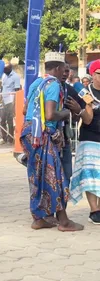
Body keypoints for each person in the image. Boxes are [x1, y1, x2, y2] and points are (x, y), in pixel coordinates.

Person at [21, 52, 83, 231]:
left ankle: (39, 218)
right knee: (55, 175)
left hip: (29, 133)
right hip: (43, 134)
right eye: (64, 68)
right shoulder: (54, 84)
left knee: (37, 176)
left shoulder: (36, 82)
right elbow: (50, 114)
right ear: (57, 68)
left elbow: (25, 109)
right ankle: (63, 221)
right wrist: (65, 113)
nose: (66, 72)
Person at [70, 60, 100, 224]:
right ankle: (94, 210)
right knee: (91, 176)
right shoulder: (84, 92)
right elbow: (87, 120)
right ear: (94, 75)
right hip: (90, 138)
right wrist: (87, 106)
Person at [1, 63, 21, 144]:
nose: (4, 70)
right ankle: (4, 138)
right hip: (3, 100)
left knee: (10, 120)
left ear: (10, 68)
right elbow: (3, 87)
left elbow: (17, 90)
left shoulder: (15, 77)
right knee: (2, 120)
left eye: (5, 69)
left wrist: (14, 103)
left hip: (10, 100)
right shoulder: (3, 75)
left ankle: (10, 139)